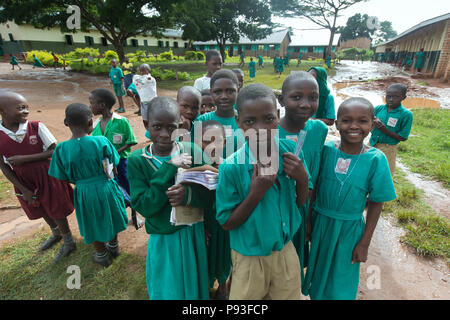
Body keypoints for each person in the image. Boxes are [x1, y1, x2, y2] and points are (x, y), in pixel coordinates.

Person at [216, 83, 311, 300]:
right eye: (250, 121)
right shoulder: (231, 167)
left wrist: (303, 179)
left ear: (278, 116)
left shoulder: (290, 154)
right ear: (239, 122)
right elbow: (226, 222)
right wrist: (256, 193)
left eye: (268, 119)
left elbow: (298, 203)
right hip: (250, 256)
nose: (260, 129)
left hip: (285, 251)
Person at [302, 97, 397, 300]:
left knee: (342, 278)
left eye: (362, 121)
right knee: (319, 273)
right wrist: (309, 221)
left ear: (372, 124)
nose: (354, 126)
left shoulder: (375, 159)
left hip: (350, 229)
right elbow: (314, 188)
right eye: (346, 120)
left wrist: (364, 243)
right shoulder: (326, 150)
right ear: (336, 125)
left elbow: (376, 203)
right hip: (321, 223)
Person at [127, 96, 211, 300]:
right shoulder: (137, 161)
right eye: (157, 127)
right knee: (168, 288)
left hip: (193, 232)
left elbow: (212, 192)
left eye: (172, 127)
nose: (165, 134)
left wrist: (189, 195)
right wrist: (169, 168)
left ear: (180, 125)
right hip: (164, 237)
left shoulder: (193, 151)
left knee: (194, 285)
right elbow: (145, 206)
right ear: (146, 125)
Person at [48, 103, 129, 267]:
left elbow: (61, 177)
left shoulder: (61, 149)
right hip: (106, 186)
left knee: (90, 221)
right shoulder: (101, 142)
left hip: (84, 191)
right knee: (111, 215)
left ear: (66, 123)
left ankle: (101, 254)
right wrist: (107, 178)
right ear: (91, 122)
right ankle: (114, 246)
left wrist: (80, 181)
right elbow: (111, 168)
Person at [0, 91, 75, 263]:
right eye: (20, 108)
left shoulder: (36, 126)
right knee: (38, 206)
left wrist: (24, 159)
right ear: (3, 110)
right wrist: (23, 188)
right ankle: (56, 233)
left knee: (55, 207)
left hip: (47, 175)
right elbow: (4, 166)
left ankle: (69, 241)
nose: (26, 111)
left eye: (27, 107)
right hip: (23, 181)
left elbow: (54, 150)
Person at [193, 69, 246, 298]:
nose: (224, 96)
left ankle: (225, 284)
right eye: (218, 91)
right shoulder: (202, 121)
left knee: (233, 242)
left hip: (239, 195)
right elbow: (195, 160)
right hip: (209, 195)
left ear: (238, 90)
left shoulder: (244, 120)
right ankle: (209, 282)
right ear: (210, 92)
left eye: (230, 91)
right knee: (211, 239)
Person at [277, 71, 328, 286]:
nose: (305, 104)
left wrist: (309, 218)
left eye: (313, 97)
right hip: (277, 210)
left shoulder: (319, 130)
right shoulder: (269, 131)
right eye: (296, 97)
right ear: (281, 100)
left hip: (303, 207)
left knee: (293, 263)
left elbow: (316, 177)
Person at [89, 88, 143, 230]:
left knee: (128, 187)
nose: (90, 106)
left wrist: (114, 153)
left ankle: (135, 214)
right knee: (113, 189)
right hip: (105, 165)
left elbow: (131, 141)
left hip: (121, 163)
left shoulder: (121, 121)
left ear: (102, 105)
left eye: (91, 103)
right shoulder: (95, 124)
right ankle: (119, 214)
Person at [196, 120, 228, 299]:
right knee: (205, 257)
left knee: (224, 256)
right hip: (204, 224)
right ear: (198, 142)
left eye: (218, 141)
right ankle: (206, 286)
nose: (212, 146)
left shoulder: (230, 166)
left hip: (224, 224)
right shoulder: (194, 169)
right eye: (206, 141)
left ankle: (223, 286)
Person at [369, 83, 413, 177]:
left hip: (388, 148)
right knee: (367, 168)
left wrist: (384, 129)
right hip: (372, 143)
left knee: (384, 173)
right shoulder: (379, 109)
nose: (391, 99)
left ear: (403, 98)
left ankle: (381, 191)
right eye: (388, 96)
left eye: (395, 97)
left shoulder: (406, 114)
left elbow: (403, 137)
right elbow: (368, 122)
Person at [132, 63, 157, 133]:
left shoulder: (151, 79)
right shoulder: (140, 79)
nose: (142, 73)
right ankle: (149, 133)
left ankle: (154, 133)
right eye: (141, 71)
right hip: (143, 102)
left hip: (152, 102)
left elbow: (147, 79)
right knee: (145, 119)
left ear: (148, 70)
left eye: (144, 70)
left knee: (153, 118)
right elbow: (136, 82)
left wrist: (140, 78)